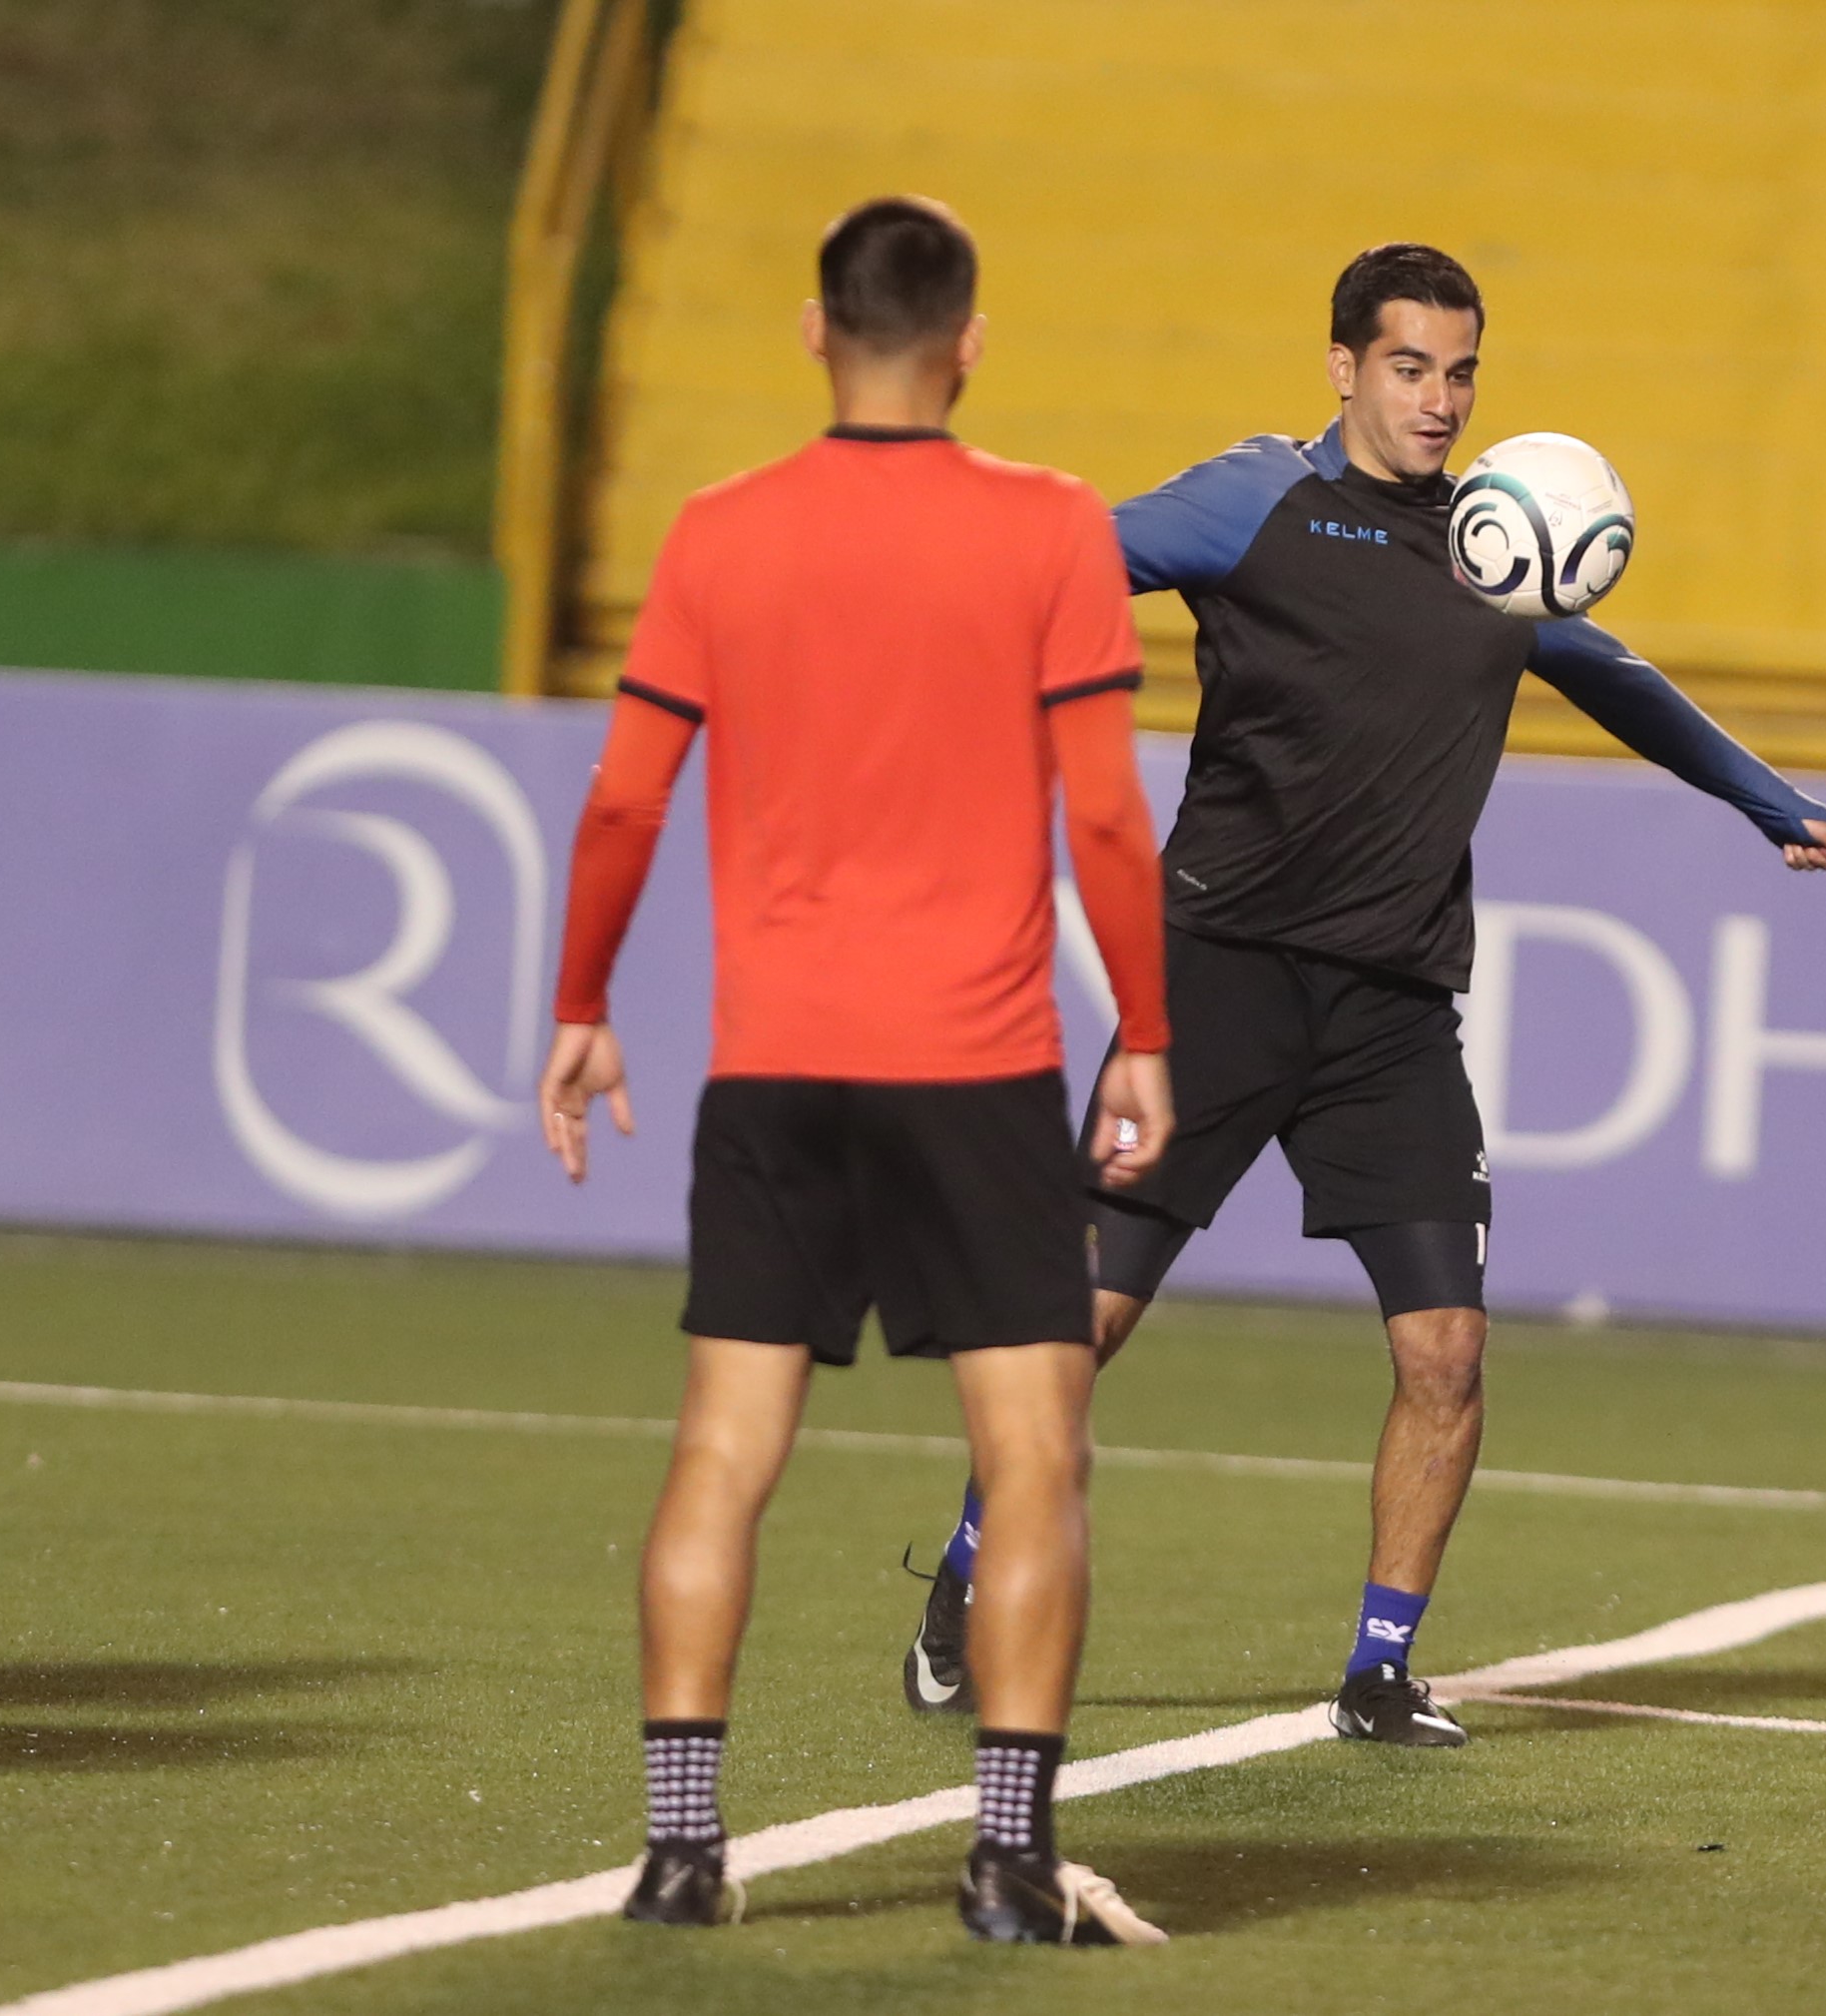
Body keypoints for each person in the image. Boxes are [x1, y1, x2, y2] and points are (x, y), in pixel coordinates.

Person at [901, 243, 1826, 1749]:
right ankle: (961, 1568)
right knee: (1078, 1322)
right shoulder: (1255, 498)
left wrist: (1760, 795)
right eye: (1410, 366)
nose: (1440, 399)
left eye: (1462, 371)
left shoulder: (1497, 540)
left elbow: (1608, 673)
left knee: (1446, 1352)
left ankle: (1380, 1669)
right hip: (1211, 982)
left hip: (1391, 1007)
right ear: (1342, 365)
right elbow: (1070, 559)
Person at [539, 196, 1176, 1945]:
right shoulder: (1048, 529)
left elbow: (620, 799)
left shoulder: (720, 533)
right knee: (1035, 1460)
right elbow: (1110, 814)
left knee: (724, 1452)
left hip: (778, 1069)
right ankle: (1005, 1858)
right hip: (974, 1068)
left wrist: (582, 998)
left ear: (815, 330)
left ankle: (681, 1849)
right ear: (968, 342)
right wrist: (1154, 1028)